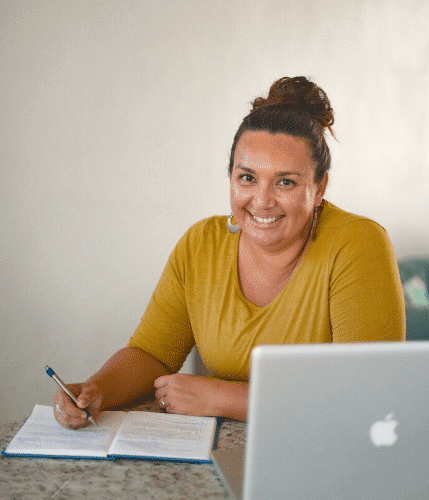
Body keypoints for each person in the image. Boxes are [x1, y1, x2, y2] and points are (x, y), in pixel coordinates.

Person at [52, 76, 405, 429]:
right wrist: (96, 389)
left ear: (320, 186)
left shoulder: (358, 243)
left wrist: (220, 397)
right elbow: (153, 355)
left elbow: (365, 395)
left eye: (286, 182)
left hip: (327, 453)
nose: (262, 201)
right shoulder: (201, 244)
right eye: (247, 178)